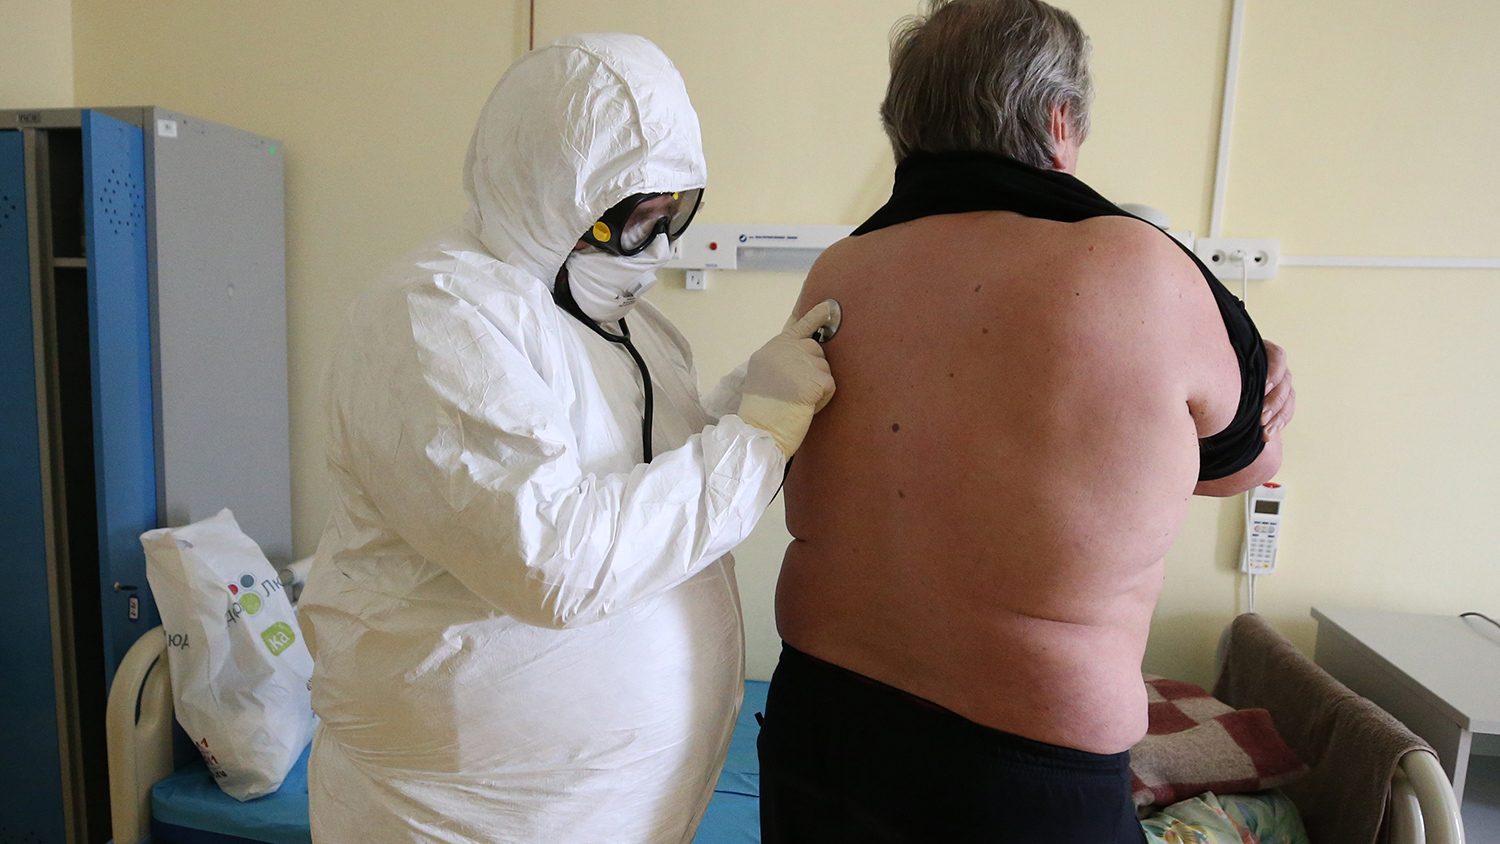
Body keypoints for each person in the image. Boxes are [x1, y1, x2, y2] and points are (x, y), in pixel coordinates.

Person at [756, 2, 1297, 842]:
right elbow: (1240, 467)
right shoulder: (1140, 265)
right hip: (1018, 775)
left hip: (818, 731)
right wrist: (1257, 365)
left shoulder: (841, 269)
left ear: (905, 126)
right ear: (1059, 119)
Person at [298, 33, 836, 844]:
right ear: (555, 198)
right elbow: (551, 564)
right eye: (638, 220)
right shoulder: (437, 314)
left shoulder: (632, 328)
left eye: (676, 213)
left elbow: (658, 487)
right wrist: (760, 435)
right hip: (465, 816)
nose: (661, 246)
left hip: (611, 809)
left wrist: (750, 397)